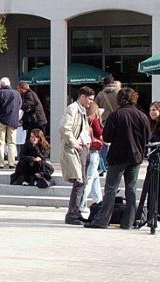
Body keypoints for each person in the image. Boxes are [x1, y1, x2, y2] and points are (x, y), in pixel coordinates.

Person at [84, 87, 150, 229]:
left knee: (111, 188)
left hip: (118, 156)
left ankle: (102, 220)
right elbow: (147, 138)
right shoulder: (142, 116)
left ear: (120, 99)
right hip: (135, 157)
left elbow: (107, 137)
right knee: (131, 188)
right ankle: (129, 221)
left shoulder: (116, 115)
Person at [60, 86, 95, 224]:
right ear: (82, 97)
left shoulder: (82, 110)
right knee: (79, 181)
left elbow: (82, 129)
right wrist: (75, 143)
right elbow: (64, 128)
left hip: (82, 148)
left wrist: (87, 143)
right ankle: (72, 214)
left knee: (82, 182)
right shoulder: (73, 108)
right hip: (76, 149)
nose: (91, 102)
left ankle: (76, 211)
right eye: (89, 99)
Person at [0, 78, 22, 169]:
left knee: (0, 142)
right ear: (9, 84)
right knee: (12, 142)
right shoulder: (16, 94)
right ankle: (11, 162)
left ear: (0, 85)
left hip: (0, 120)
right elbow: (20, 105)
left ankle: (0, 163)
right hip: (13, 120)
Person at [80, 100, 105, 219]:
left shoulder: (84, 118)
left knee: (95, 178)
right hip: (93, 151)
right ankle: (82, 204)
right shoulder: (93, 119)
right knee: (89, 179)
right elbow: (99, 132)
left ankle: (98, 201)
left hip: (87, 150)